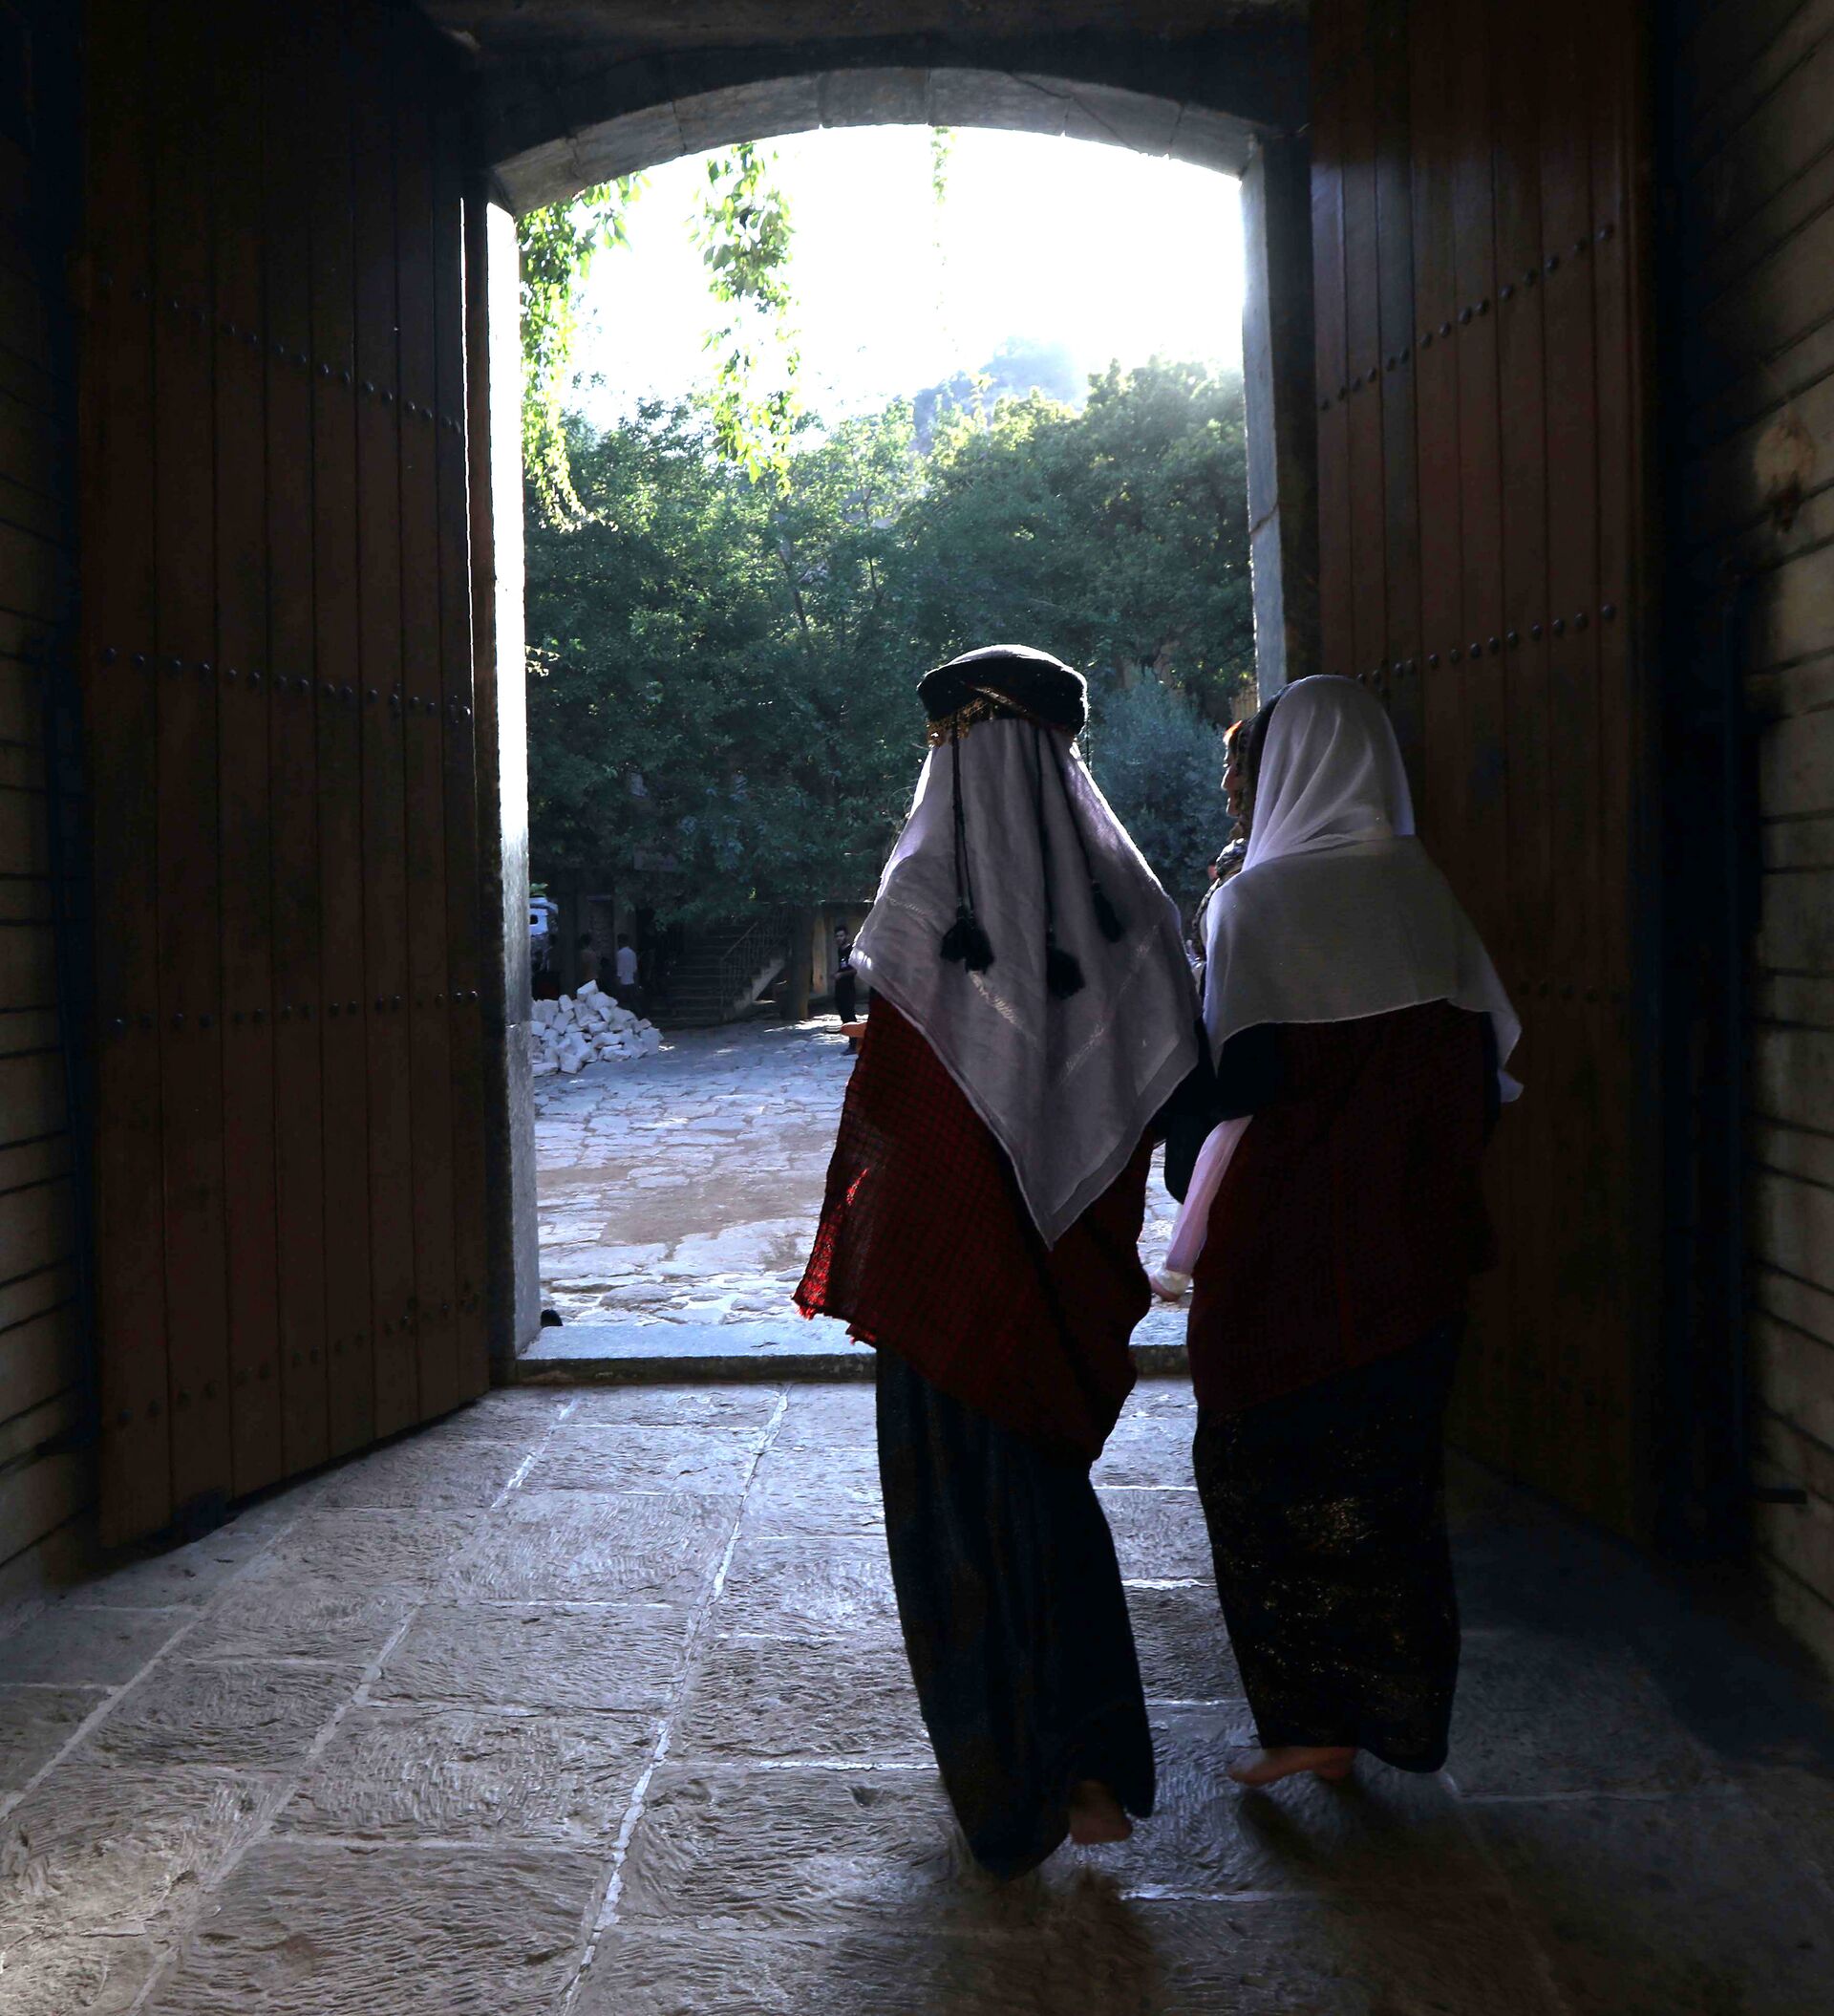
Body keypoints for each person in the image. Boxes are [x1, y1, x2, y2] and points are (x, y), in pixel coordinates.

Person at [796, 644, 1202, 1877]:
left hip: (946, 1267)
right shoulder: (1129, 898)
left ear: (953, 749)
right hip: (1068, 1257)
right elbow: (1163, 1079)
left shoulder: (922, 890)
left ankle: (1015, 1788)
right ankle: (1092, 1769)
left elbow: (900, 1107)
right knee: (1049, 1494)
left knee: (959, 1521)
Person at [1184, 675, 1519, 1791]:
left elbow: (1232, 1089)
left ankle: (1307, 1719)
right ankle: (1398, 1717)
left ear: (1283, 769)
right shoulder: (1428, 894)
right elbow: (1480, 1081)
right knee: (1394, 1488)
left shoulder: (1254, 906)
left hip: (1283, 1257)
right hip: (1416, 1252)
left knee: (1256, 1470)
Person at [832, 924, 859, 1024]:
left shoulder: (851, 950)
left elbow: (855, 970)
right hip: (840, 987)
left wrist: (841, 975)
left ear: (847, 936)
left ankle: (854, 1034)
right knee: (842, 1013)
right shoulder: (840, 951)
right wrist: (836, 974)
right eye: (837, 936)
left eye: (841, 936)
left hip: (849, 988)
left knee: (849, 1015)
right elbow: (843, 967)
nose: (839, 938)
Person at [612, 933, 642, 1014]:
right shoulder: (632, 953)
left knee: (623, 1005)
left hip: (623, 982)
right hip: (631, 982)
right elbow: (635, 970)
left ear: (620, 942)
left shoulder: (620, 953)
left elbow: (620, 970)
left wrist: (617, 982)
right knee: (634, 1003)